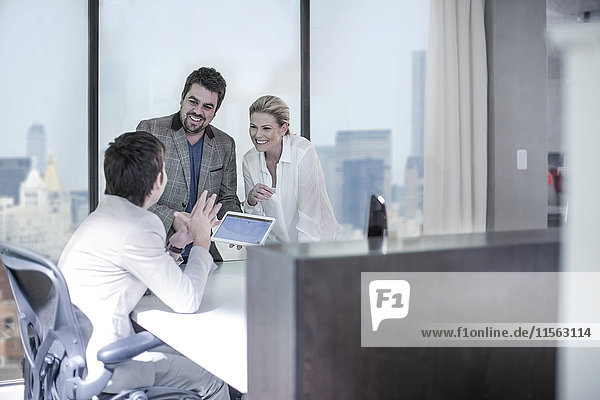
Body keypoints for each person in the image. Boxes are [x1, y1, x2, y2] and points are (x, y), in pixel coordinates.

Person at [58, 132, 230, 399]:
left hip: (76, 357)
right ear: (160, 180)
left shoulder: (104, 214)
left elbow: (136, 276)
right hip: (110, 364)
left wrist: (175, 246)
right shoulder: (142, 223)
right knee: (216, 378)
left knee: (197, 355)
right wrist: (202, 240)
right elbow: (188, 301)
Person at [137, 67, 241, 261]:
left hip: (204, 253)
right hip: (155, 254)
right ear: (182, 97)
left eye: (207, 107)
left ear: (216, 111)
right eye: (193, 101)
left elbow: (228, 199)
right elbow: (136, 196)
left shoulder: (225, 144)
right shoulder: (150, 131)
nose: (198, 111)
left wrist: (237, 223)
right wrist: (173, 218)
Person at [242, 95, 340, 243]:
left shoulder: (302, 152)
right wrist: (251, 202)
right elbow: (256, 222)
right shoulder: (249, 160)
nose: (257, 134)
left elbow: (309, 218)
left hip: (318, 244)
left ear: (283, 128)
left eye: (266, 128)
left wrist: (302, 261)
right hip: (280, 249)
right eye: (253, 127)